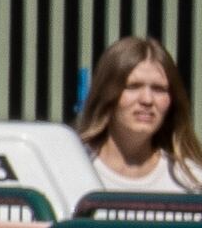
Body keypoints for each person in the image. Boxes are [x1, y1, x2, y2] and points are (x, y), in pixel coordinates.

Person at [80, 35, 194, 193]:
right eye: (133, 86)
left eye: (159, 89)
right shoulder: (70, 168)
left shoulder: (191, 182)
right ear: (107, 93)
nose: (147, 100)